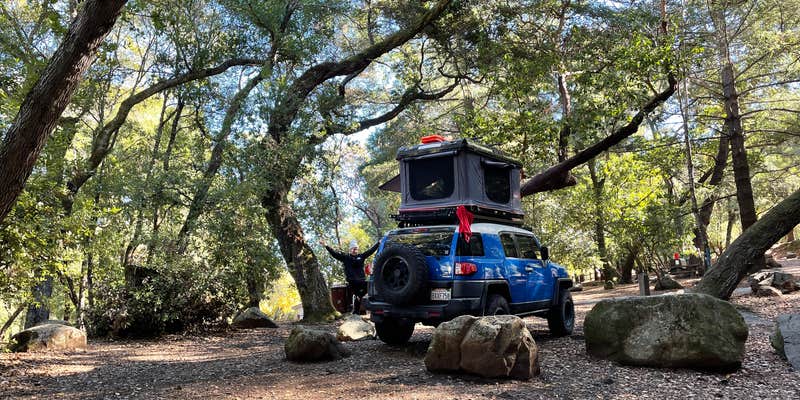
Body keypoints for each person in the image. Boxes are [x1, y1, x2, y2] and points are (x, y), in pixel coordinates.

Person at [322, 239, 379, 314]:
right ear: (350, 249)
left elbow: (370, 251)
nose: (355, 250)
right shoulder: (346, 258)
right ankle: (356, 311)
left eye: (356, 249)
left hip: (361, 280)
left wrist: (378, 243)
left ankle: (356, 311)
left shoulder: (361, 256)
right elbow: (334, 254)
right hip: (352, 281)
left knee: (369, 286)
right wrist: (326, 245)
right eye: (353, 249)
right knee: (357, 295)